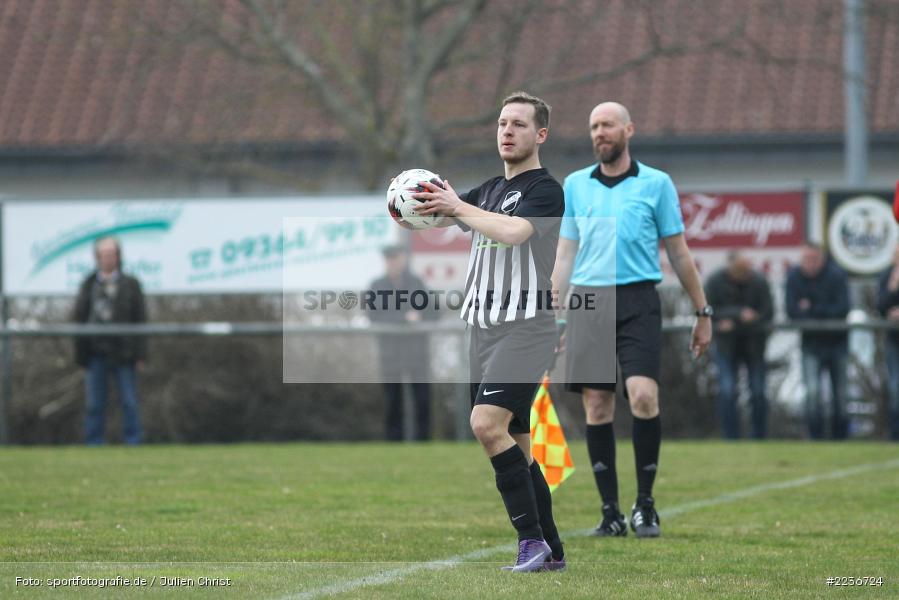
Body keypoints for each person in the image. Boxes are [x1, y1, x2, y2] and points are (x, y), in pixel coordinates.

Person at [412, 92, 565, 572]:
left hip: (525, 328)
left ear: (539, 135)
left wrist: (459, 205)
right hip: (482, 331)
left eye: (519, 124)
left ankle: (529, 543)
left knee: (484, 424)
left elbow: (515, 232)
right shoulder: (489, 189)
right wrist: (415, 199)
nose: (507, 131)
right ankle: (551, 550)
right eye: (502, 123)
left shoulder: (546, 189)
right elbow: (440, 216)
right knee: (518, 443)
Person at [552, 101, 712, 539]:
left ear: (628, 130)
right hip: (588, 301)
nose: (598, 133)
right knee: (597, 405)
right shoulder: (575, 185)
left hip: (639, 299)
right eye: (592, 127)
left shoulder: (657, 184)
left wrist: (703, 311)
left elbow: (679, 252)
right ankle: (610, 512)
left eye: (606, 125)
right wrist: (554, 316)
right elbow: (565, 254)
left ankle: (645, 505)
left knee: (642, 396)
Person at [73, 237, 147, 445]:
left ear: (118, 256)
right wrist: (81, 355)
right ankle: (94, 442)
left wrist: (141, 354)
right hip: (95, 352)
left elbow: (141, 319)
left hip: (124, 353)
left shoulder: (131, 284)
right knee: (94, 403)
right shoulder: (88, 285)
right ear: (97, 258)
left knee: (129, 401)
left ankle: (133, 442)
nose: (108, 258)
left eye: (112, 254)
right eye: (104, 254)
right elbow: (79, 318)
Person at [367, 244, 434, 441]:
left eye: (396, 258)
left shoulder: (416, 283)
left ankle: (424, 441)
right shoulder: (377, 285)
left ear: (403, 259)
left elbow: (433, 312)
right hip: (390, 354)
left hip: (417, 353)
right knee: (392, 402)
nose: (393, 262)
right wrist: (405, 318)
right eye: (389, 259)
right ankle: (393, 442)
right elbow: (374, 315)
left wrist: (420, 316)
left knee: (422, 401)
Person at [704, 251, 774, 439]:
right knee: (727, 391)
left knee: (758, 392)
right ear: (731, 268)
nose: (745, 274)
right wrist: (735, 316)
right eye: (741, 270)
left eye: (747, 269)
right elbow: (707, 310)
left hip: (753, 345)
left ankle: (759, 437)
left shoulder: (759, 282)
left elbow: (768, 312)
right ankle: (730, 437)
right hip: (726, 346)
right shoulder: (715, 282)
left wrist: (750, 318)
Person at [785, 242, 850, 440]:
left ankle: (841, 439)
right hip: (811, 344)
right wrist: (820, 311)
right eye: (806, 259)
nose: (809, 264)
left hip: (837, 343)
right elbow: (792, 311)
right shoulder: (794, 277)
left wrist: (812, 308)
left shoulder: (836, 276)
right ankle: (816, 438)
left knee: (840, 395)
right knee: (812, 393)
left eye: (813, 259)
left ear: (822, 260)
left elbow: (842, 309)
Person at [876, 242, 899, 441]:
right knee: (896, 389)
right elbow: (880, 306)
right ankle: (895, 436)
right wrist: (893, 286)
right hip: (895, 341)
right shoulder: (887, 276)